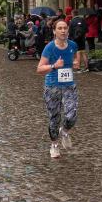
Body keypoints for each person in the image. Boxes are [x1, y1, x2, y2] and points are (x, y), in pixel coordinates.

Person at [37, 19, 80, 158]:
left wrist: (76, 62)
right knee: (54, 118)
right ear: (54, 31)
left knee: (71, 115)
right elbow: (40, 69)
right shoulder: (49, 48)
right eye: (60, 28)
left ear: (68, 30)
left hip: (69, 86)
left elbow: (76, 58)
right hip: (52, 86)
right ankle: (54, 145)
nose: (63, 31)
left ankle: (65, 131)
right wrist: (54, 66)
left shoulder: (73, 45)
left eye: (65, 28)